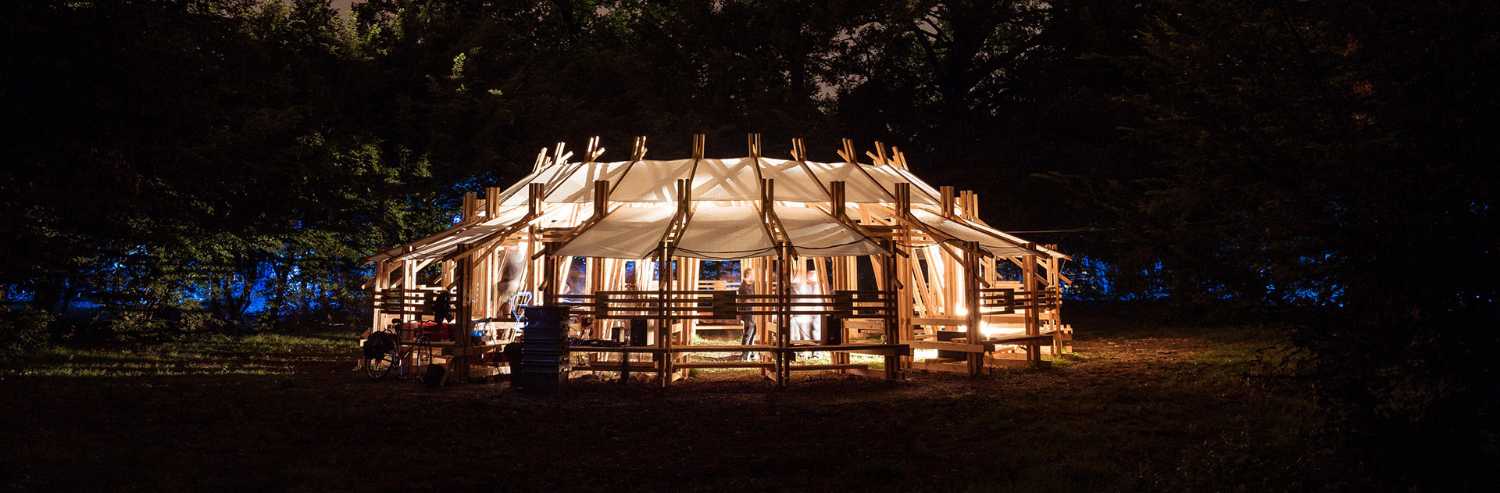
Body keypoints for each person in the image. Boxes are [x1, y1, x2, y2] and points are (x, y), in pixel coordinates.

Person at [738, 270, 757, 360]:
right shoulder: (744, 287)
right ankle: (745, 354)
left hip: (748, 311)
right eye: (752, 275)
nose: (753, 277)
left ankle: (751, 353)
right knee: (749, 331)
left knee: (751, 331)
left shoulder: (746, 285)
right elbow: (746, 300)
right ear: (748, 275)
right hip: (748, 311)